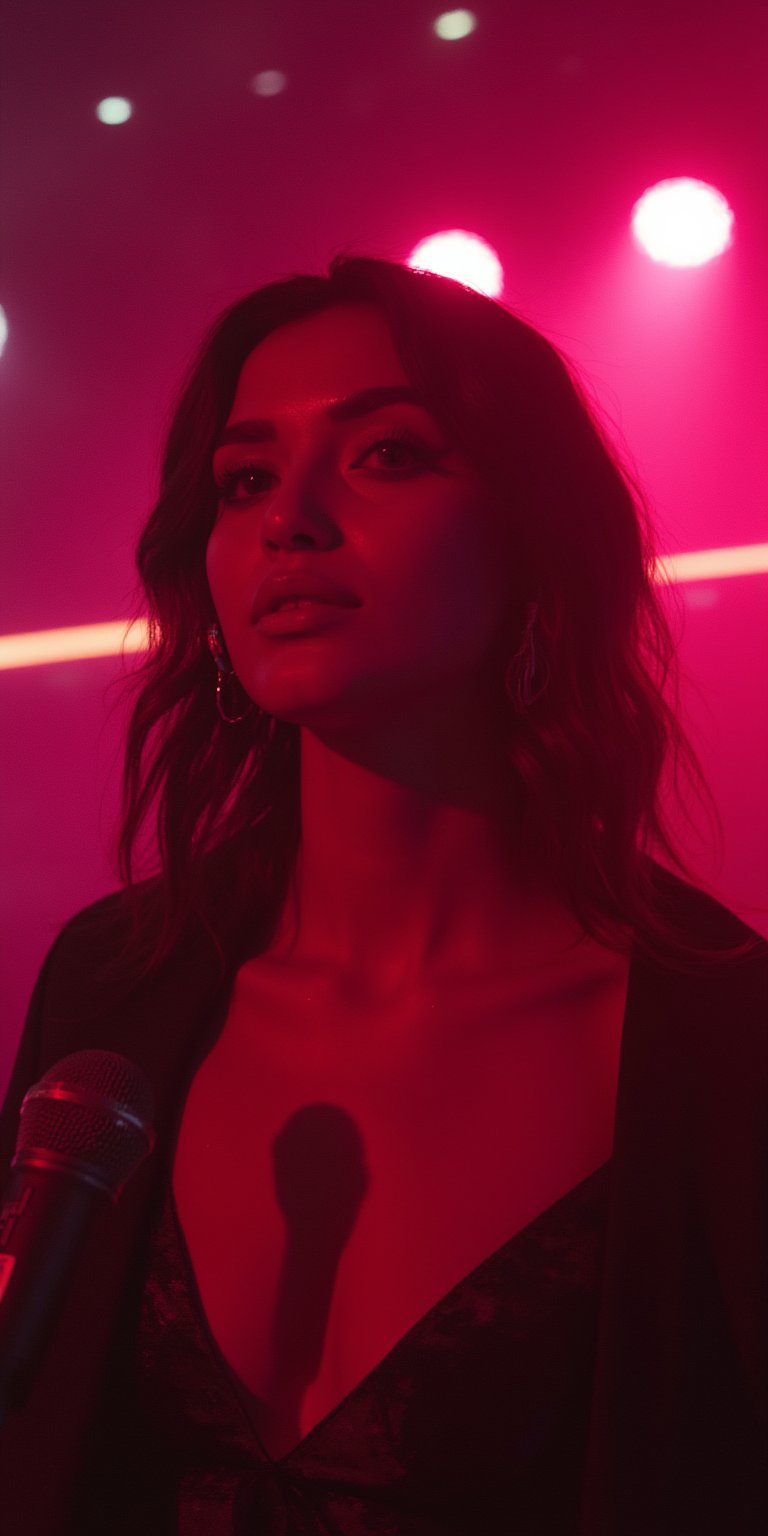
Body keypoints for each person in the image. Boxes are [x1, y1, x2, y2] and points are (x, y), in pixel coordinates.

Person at [0, 255, 766, 1536]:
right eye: (245, 478)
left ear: (535, 541)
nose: (289, 518)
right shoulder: (115, 984)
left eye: (388, 454)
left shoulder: (724, 1043)